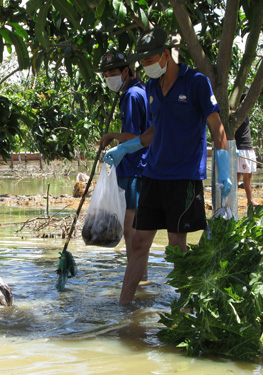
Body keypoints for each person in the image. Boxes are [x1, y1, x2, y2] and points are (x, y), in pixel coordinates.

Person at [103, 28, 232, 304]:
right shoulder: (151, 88)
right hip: (153, 176)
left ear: (165, 55)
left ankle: (187, 310)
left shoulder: (196, 82)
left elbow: (218, 130)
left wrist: (224, 173)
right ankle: (122, 309)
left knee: (176, 247)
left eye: (149, 61)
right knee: (138, 242)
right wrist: (125, 147)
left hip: (182, 179)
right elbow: (154, 131)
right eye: (143, 62)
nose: (145, 67)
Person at [97, 50, 149, 274]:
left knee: (130, 229)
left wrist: (112, 136)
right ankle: (140, 276)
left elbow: (133, 135)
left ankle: (136, 278)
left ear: (126, 71)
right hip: (143, 167)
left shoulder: (130, 96)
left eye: (113, 72)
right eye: (106, 73)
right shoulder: (144, 91)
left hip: (134, 168)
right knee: (136, 227)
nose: (109, 77)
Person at [235, 92, 259, 206]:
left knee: (248, 175)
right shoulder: (237, 114)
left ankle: (250, 200)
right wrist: (234, 147)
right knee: (237, 175)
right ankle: (232, 200)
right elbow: (232, 132)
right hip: (241, 148)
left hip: (248, 147)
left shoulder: (246, 114)